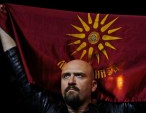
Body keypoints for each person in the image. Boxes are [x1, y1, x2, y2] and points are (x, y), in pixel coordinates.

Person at [0, 27, 138, 113]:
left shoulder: (116, 111)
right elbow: (20, 72)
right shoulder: (48, 109)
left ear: (93, 85)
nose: (71, 81)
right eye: (66, 76)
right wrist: (1, 21)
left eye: (79, 76)